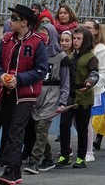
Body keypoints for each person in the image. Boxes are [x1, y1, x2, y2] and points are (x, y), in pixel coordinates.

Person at [0, 4, 48, 185]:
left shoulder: (37, 42)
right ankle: (16, 171)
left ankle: (10, 170)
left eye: (14, 18)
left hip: (25, 95)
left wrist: (19, 79)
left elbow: (41, 70)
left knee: (16, 130)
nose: (10, 21)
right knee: (9, 129)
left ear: (24, 22)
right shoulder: (6, 40)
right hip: (6, 92)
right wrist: (1, 75)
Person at [24, 25, 70, 174]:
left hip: (52, 93)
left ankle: (34, 160)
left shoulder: (61, 57)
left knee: (43, 126)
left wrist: (63, 101)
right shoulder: (37, 53)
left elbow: (65, 82)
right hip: (37, 93)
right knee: (39, 130)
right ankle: (49, 158)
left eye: (46, 35)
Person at [55, 27, 98, 169]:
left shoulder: (91, 57)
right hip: (70, 95)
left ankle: (81, 157)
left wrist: (89, 82)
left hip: (84, 96)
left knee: (82, 128)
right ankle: (65, 155)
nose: (75, 41)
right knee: (64, 124)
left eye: (79, 39)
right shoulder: (71, 56)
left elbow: (95, 74)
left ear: (86, 40)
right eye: (74, 38)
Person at [82, 19, 105, 162]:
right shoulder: (81, 46)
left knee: (87, 121)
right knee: (76, 121)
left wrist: (92, 84)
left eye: (89, 28)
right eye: (84, 27)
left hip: (93, 90)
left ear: (96, 31)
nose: (86, 30)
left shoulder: (101, 50)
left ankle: (89, 152)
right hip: (79, 89)